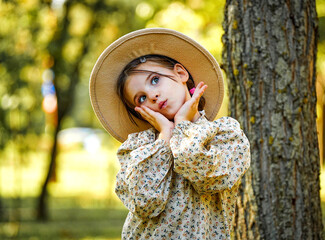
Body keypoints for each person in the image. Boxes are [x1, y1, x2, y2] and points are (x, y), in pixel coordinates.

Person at [89, 28, 251, 240]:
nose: (153, 95)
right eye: (141, 98)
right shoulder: (138, 148)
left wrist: (182, 125)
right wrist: (165, 136)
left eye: (155, 80)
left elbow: (206, 177)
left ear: (181, 74)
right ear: (140, 112)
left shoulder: (224, 135)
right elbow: (145, 203)